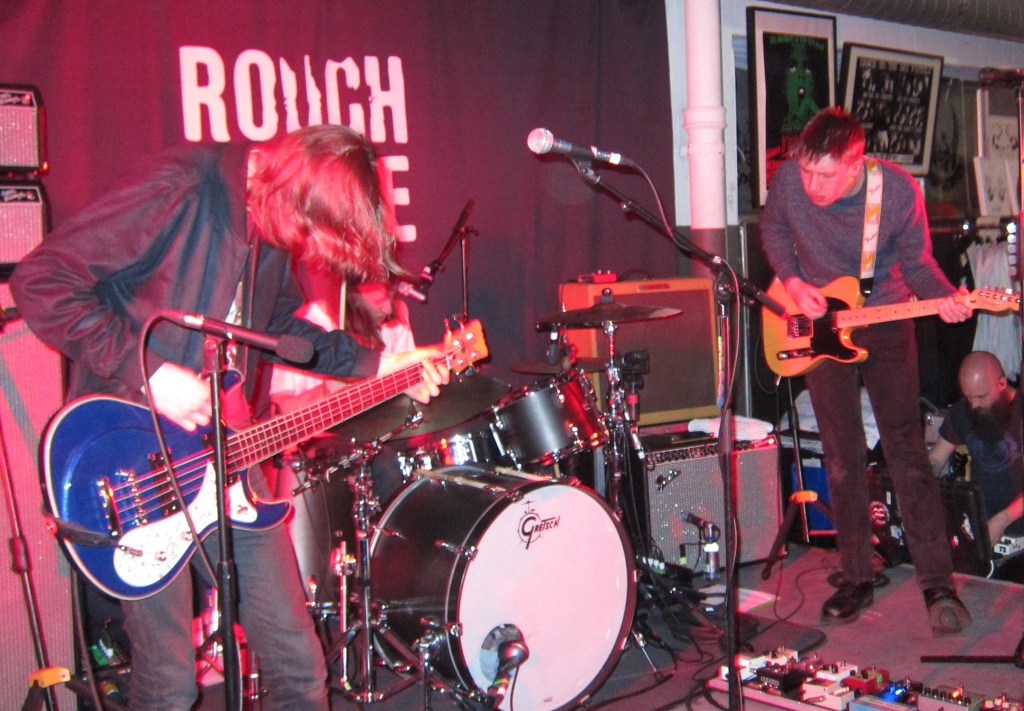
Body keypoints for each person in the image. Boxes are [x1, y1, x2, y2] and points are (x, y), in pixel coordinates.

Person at [10, 124, 449, 710]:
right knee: (167, 683)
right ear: (292, 189)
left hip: (225, 464)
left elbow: (277, 331)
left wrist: (384, 362)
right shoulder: (182, 186)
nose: (306, 245)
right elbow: (42, 280)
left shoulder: (264, 219)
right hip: (134, 467)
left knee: (297, 663)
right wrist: (153, 373)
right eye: (313, 227)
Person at [759, 107, 973, 633]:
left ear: (855, 164)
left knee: (904, 448)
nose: (810, 184)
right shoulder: (791, 180)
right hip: (818, 324)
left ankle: (937, 582)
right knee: (840, 453)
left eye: (824, 175)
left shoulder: (897, 192)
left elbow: (919, 262)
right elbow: (774, 227)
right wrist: (791, 280)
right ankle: (857, 572)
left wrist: (946, 299)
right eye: (805, 170)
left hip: (883, 320)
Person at [929, 351, 1024, 549]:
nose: (974, 405)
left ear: (1001, 384)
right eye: (968, 397)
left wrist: (1003, 519)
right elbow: (937, 458)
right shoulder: (962, 411)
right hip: (979, 523)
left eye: (981, 397)